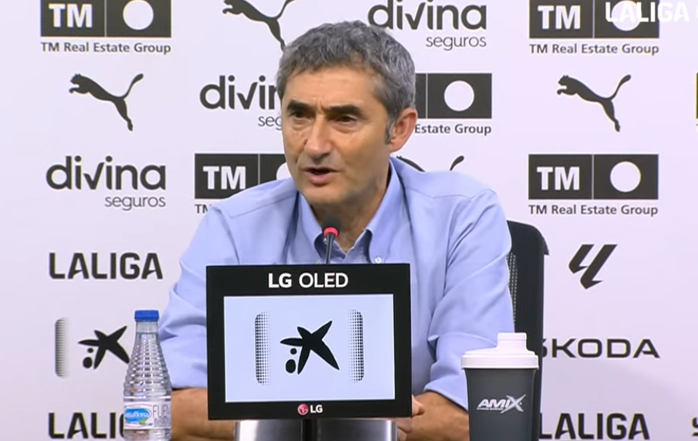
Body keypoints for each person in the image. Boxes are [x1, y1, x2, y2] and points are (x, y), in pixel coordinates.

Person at [159, 20, 514, 441]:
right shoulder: (234, 226)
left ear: (399, 129)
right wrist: (358, 419)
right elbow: (169, 408)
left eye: (344, 119)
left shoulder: (462, 216)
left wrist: (293, 417)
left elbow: (472, 414)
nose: (314, 145)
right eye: (299, 115)